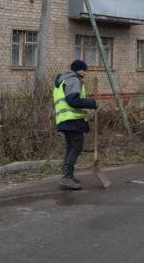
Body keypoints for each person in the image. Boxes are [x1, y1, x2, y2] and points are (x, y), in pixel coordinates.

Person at [53, 59, 97, 190]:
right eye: (84, 70)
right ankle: (66, 178)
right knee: (76, 147)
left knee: (71, 147)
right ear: (79, 70)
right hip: (73, 120)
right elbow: (73, 100)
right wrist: (92, 103)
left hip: (65, 120)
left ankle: (68, 175)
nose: (85, 73)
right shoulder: (74, 79)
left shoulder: (63, 80)